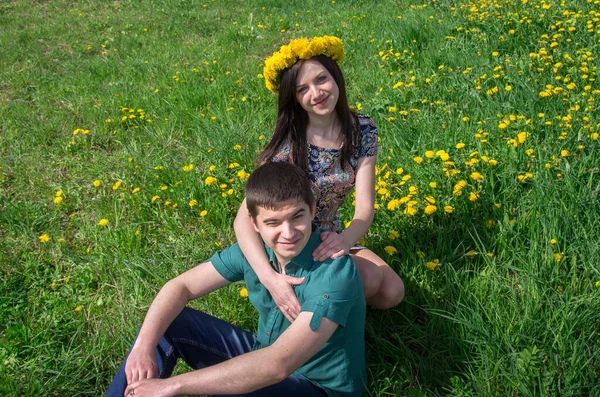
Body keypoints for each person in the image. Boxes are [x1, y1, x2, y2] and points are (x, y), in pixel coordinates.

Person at [106, 161, 366, 397]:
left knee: (234, 389)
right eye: (273, 222)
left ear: (311, 210)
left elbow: (277, 365)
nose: (288, 233)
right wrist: (143, 347)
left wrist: (172, 385)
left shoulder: (334, 271)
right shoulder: (254, 253)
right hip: (262, 353)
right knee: (168, 323)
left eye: (297, 216)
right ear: (254, 224)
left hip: (317, 387)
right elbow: (180, 287)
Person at [234, 36, 404, 322]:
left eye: (321, 79)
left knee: (391, 291)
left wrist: (343, 240)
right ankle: (318, 314)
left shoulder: (363, 129)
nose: (316, 93)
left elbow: (364, 209)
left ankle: (328, 300)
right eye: (303, 89)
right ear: (295, 99)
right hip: (292, 241)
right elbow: (243, 220)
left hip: (331, 235)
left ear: (335, 76)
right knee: (371, 281)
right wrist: (269, 278)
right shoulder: (288, 148)